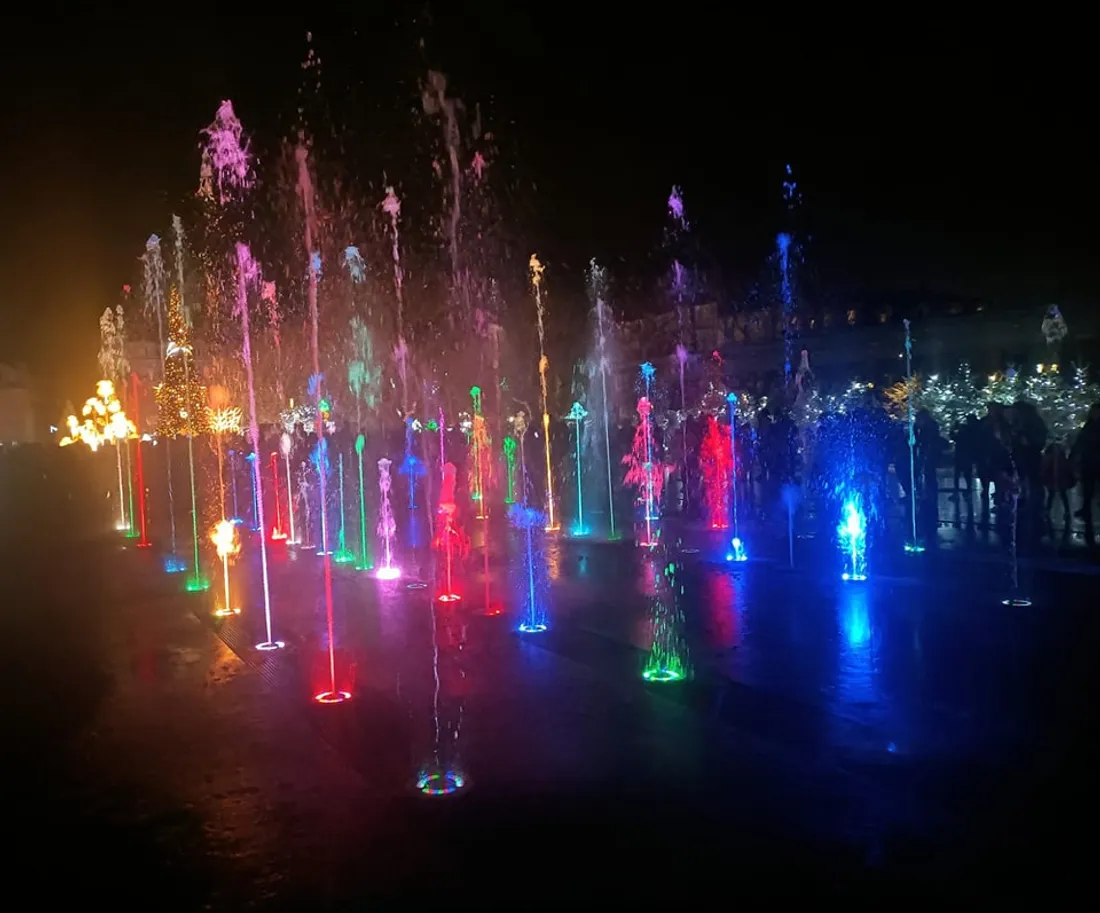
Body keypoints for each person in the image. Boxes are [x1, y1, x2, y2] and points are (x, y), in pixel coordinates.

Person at [1041, 441, 1074, 524]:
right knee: (1062, 495)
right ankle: (1066, 511)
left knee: (1052, 496)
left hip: (1053, 479)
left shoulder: (1049, 456)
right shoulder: (1061, 456)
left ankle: (1048, 510)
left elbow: (1045, 468)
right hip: (1059, 479)